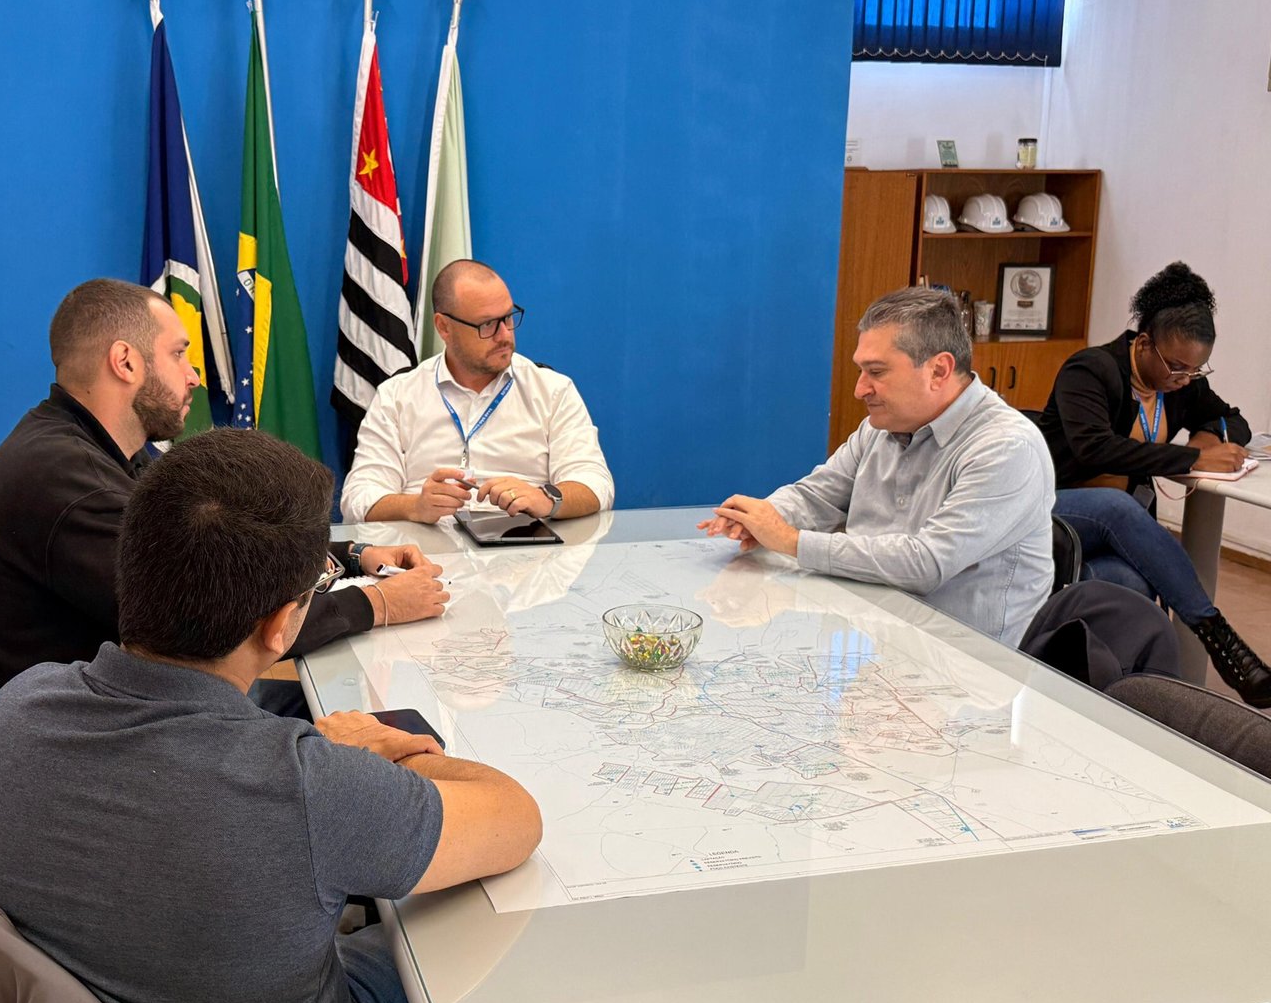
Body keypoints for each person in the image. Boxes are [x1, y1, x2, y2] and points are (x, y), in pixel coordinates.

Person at [0, 428, 543, 1003]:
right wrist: (374, 754)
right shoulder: (306, 787)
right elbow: (515, 818)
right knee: (470, 942)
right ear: (281, 625)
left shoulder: (13, 710)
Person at [0, 278, 447, 738]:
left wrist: (353, 555)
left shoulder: (93, 449)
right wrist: (378, 605)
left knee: (360, 710)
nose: (194, 377)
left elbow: (226, 544)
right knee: (376, 734)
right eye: (179, 354)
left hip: (120, 700)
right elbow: (221, 622)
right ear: (126, 362)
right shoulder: (73, 486)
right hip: (86, 739)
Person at [701, 287, 1054, 645]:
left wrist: (790, 540)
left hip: (964, 660)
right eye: (861, 370)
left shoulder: (1007, 448)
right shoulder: (878, 428)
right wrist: (762, 517)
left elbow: (926, 563)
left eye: (876, 372)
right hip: (872, 632)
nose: (860, 389)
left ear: (938, 370)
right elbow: (817, 497)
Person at [1034, 262, 1270, 706]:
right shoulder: (1090, 370)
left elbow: (1232, 420)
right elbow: (1095, 449)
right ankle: (1219, 637)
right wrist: (1193, 458)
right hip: (1049, 510)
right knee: (1115, 506)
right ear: (1144, 344)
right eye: (1175, 366)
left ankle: (1143, 700)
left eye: (1195, 371)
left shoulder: (1180, 386)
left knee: (1131, 584)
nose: (1183, 379)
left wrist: (1208, 438)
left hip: (1112, 530)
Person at [339, 259, 614, 524]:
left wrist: (546, 498)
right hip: (424, 549)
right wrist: (415, 507)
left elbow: (596, 484)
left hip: (526, 547)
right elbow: (358, 497)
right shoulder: (397, 396)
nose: (505, 335)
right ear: (444, 327)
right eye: (487, 325)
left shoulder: (552, 390)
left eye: (508, 318)